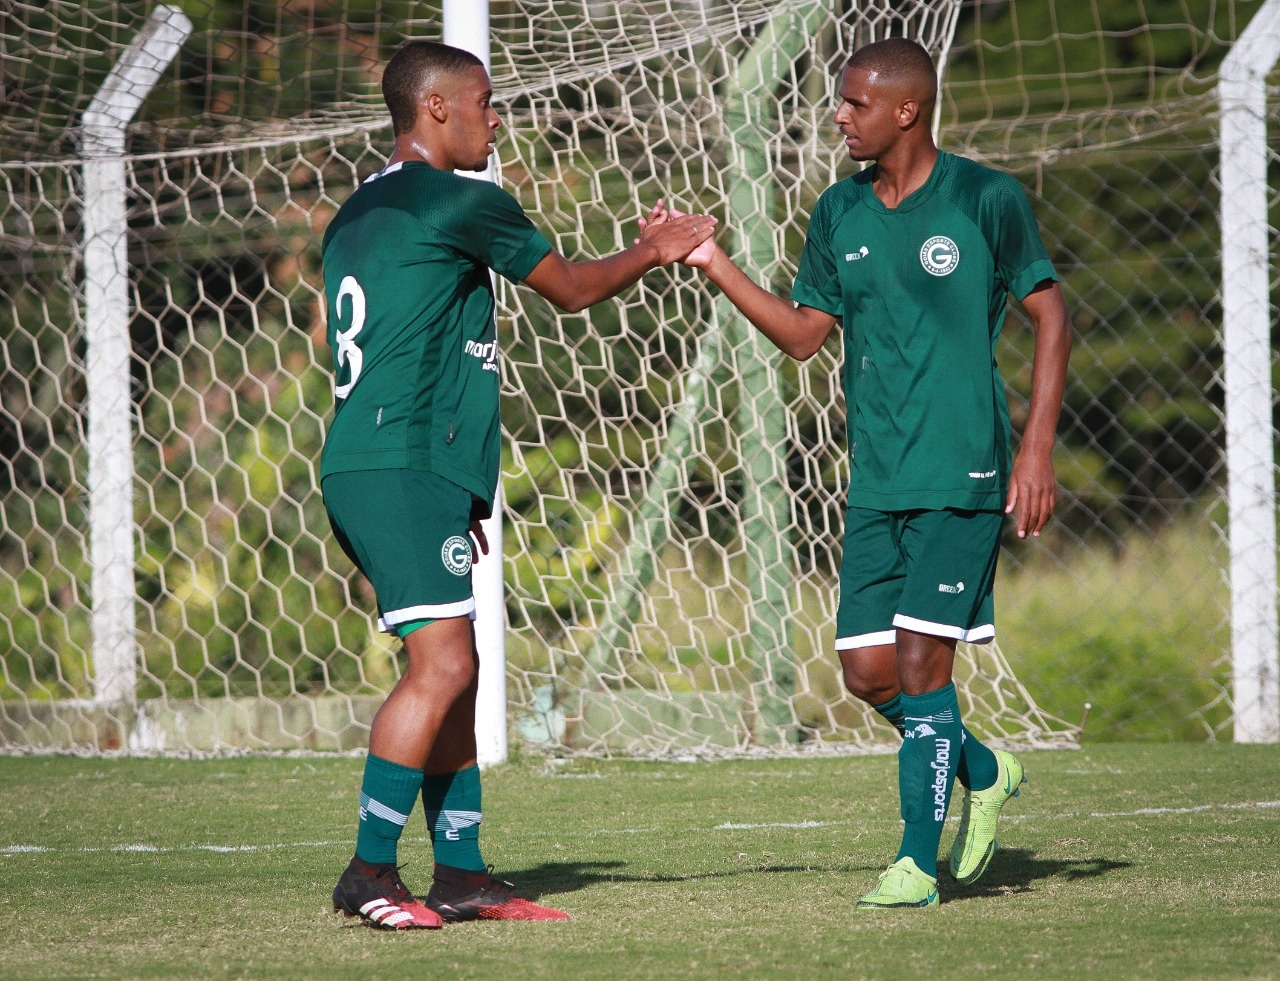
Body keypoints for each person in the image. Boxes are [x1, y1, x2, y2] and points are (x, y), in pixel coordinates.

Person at [651, 37, 1071, 908]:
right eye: (839, 102)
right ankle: (984, 769)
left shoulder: (986, 198)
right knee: (867, 673)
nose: (838, 115)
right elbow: (805, 336)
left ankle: (917, 861)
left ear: (906, 110)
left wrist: (1035, 448)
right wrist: (712, 263)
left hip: (964, 466)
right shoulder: (838, 210)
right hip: (877, 474)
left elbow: (1051, 314)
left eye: (854, 102)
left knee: (922, 665)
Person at [321, 40, 716, 930]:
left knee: (453, 671)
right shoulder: (461, 199)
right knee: (446, 664)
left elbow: (410, 341)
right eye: (485, 102)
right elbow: (572, 290)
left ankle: (460, 874)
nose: (496, 118)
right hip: (400, 461)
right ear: (435, 110)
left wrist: (461, 486)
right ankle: (368, 872)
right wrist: (654, 249)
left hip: (386, 460)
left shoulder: (356, 210)